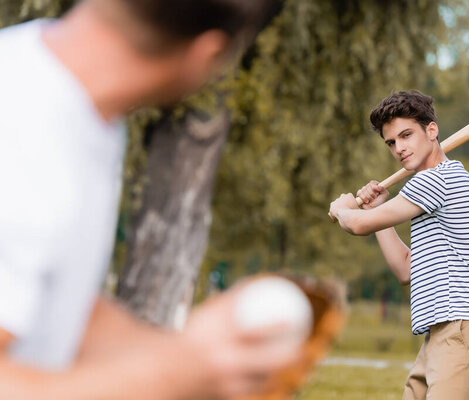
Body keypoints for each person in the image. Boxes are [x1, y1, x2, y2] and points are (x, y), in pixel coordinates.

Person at [0, 0, 300, 399]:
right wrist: (168, 379)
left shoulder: (60, 93)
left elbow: (54, 305)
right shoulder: (24, 141)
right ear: (207, 54)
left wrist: (195, 356)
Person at [329, 90, 469, 400]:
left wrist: (344, 209)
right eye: (392, 142)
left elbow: (355, 226)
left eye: (406, 135)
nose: (399, 148)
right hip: (441, 332)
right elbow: (407, 270)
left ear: (432, 131)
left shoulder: (437, 180)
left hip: (464, 327)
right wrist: (372, 210)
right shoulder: (431, 190)